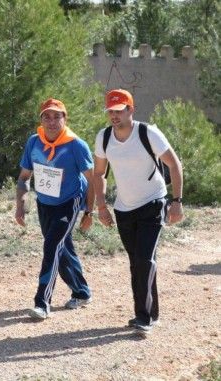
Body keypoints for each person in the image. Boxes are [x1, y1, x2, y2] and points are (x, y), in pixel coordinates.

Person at [93, 89, 184, 336]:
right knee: (137, 262)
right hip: (123, 209)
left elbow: (174, 164)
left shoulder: (147, 133)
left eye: (119, 110)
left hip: (153, 203)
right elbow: (99, 173)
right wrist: (101, 206)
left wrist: (176, 201)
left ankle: (142, 317)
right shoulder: (103, 138)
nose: (114, 115)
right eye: (110, 111)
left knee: (144, 259)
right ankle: (151, 312)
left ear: (130, 110)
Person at [15, 98, 94, 320]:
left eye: (56, 116)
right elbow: (24, 177)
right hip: (45, 202)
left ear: (64, 118)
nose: (51, 121)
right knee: (62, 247)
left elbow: (93, 179)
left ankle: (42, 302)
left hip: (70, 201)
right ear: (40, 120)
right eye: (46, 116)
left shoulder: (76, 145)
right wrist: (20, 204)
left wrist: (89, 212)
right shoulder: (34, 142)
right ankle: (81, 291)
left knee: (51, 246)